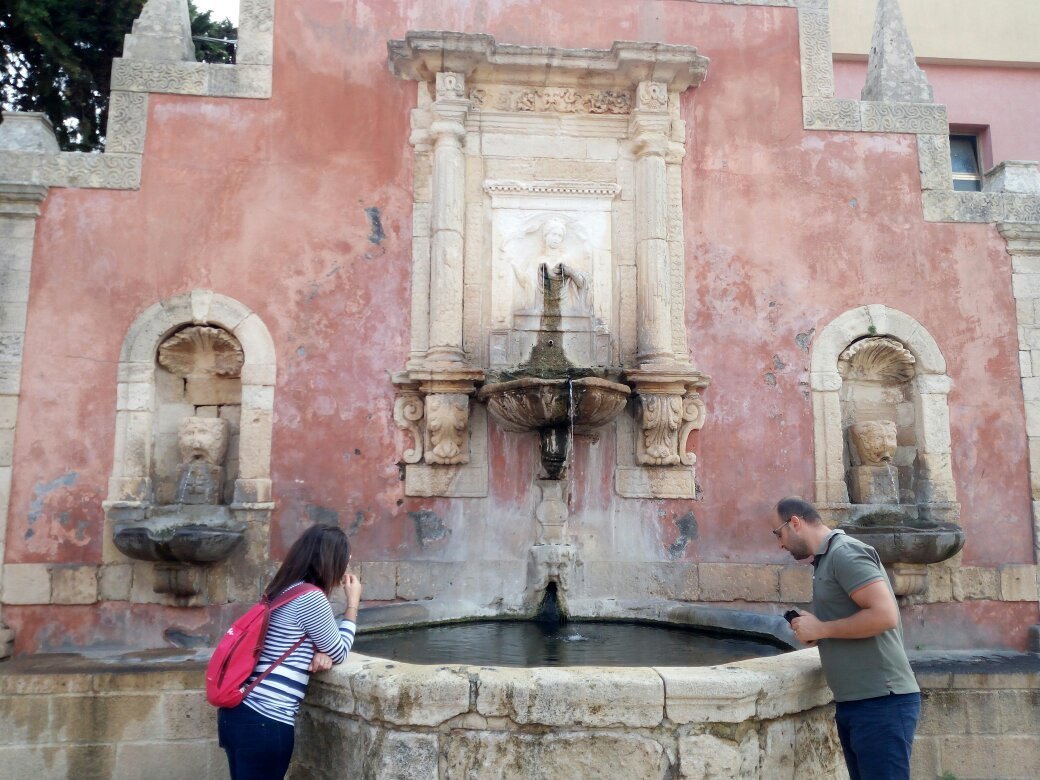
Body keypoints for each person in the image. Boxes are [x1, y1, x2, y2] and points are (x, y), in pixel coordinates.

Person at [772, 496, 920, 780]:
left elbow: (885, 615)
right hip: (859, 702)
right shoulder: (826, 561)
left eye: (778, 534)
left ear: (794, 523)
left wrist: (823, 629)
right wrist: (816, 631)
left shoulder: (845, 553)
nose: (780, 544)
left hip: (881, 703)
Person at [217, 523, 362, 779]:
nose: (345, 567)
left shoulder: (282, 591)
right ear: (330, 561)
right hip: (267, 718)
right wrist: (352, 605)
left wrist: (319, 650)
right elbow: (339, 651)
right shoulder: (311, 598)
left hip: (238, 714)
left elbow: (291, 637)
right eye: (345, 559)